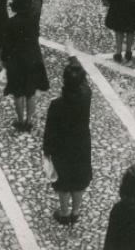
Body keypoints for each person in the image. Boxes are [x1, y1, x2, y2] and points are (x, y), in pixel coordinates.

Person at [43, 56, 93, 226]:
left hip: (62, 148)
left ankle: (64, 212)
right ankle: (75, 211)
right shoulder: (86, 97)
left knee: (63, 181)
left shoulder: (57, 105)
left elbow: (49, 130)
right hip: (81, 145)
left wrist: (47, 151)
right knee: (79, 180)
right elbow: (84, 82)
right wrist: (74, 60)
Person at [2, 0, 49, 130]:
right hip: (33, 57)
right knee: (30, 92)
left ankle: (20, 120)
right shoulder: (35, 14)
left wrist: (4, 62)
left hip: (16, 61)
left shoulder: (11, 23)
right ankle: (29, 121)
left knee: (18, 93)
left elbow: (6, 45)